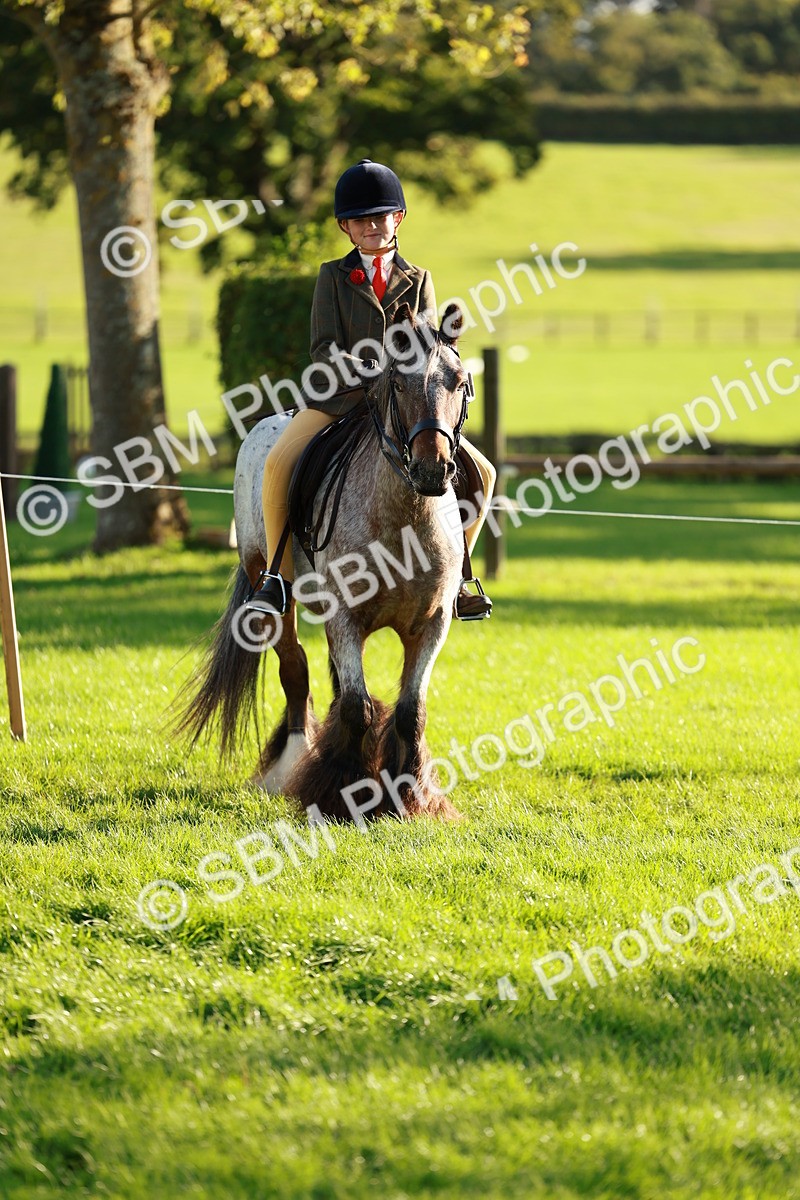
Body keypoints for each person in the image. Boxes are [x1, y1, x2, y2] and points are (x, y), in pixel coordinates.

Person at [245, 158, 496, 621]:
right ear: (346, 227)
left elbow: (432, 349)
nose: (373, 226)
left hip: (405, 407)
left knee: (482, 473)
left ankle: (460, 578)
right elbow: (322, 347)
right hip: (342, 401)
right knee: (279, 461)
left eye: (381, 217)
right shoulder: (332, 277)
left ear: (397, 219)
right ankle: (277, 581)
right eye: (362, 220)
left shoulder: (419, 280)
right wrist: (363, 368)